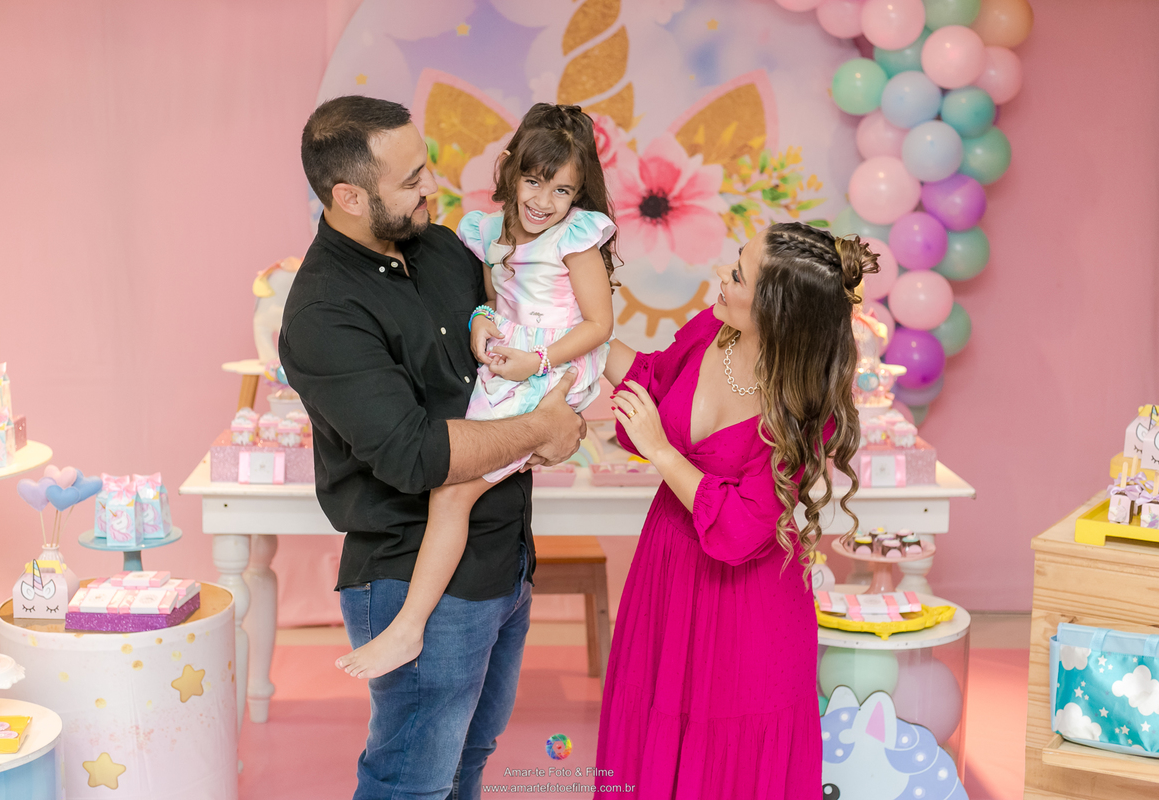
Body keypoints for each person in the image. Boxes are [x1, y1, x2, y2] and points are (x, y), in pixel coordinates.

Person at [279, 95, 585, 800]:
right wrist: (541, 429)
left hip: (504, 557)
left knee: (467, 761)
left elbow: (512, 342)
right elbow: (416, 455)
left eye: (426, 167)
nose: (431, 187)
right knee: (410, 782)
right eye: (411, 179)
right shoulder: (325, 312)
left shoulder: (444, 249)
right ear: (350, 196)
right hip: (411, 575)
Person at [336, 102, 618, 680]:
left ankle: (408, 629)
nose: (544, 201)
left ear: (578, 194)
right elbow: (490, 298)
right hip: (510, 363)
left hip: (553, 368)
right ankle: (414, 624)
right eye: (534, 181)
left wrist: (537, 360)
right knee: (457, 478)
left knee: (452, 494)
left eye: (563, 190)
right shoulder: (487, 231)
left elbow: (599, 324)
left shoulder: (575, 239)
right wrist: (480, 320)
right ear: (510, 168)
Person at [594, 222, 874, 798]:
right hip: (666, 574)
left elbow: (744, 525)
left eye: (739, 274)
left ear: (777, 312)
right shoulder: (712, 333)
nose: (721, 275)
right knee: (651, 730)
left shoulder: (806, 410)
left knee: (730, 759)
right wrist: (577, 333)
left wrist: (661, 452)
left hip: (745, 607)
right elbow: (650, 381)